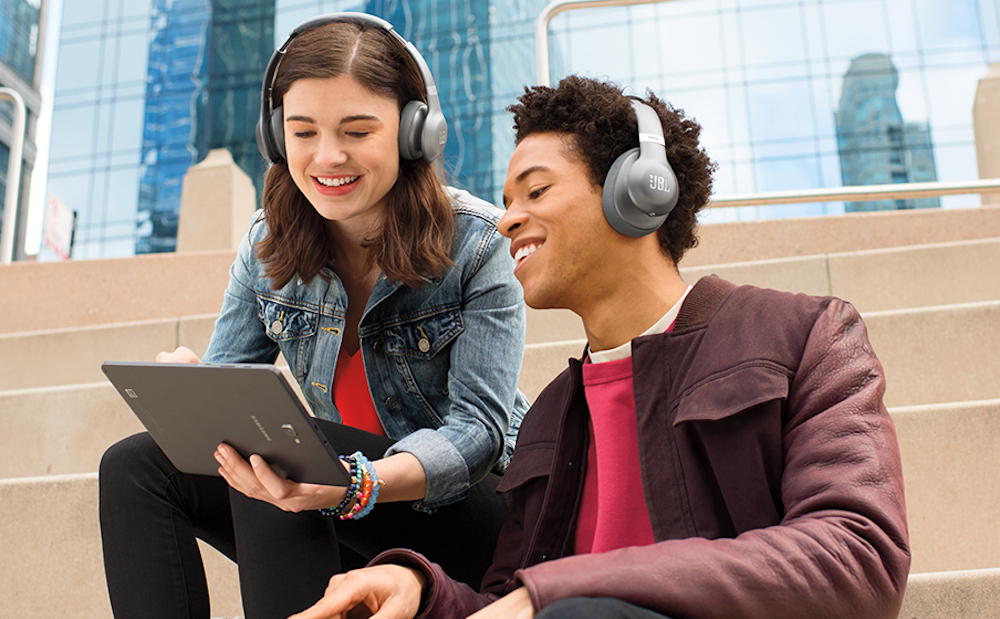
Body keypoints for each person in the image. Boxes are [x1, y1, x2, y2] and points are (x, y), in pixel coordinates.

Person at [290, 75, 911, 619]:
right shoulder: (549, 416)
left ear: (639, 191)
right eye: (506, 202)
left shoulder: (802, 336)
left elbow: (859, 557)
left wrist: (560, 592)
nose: (505, 221)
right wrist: (420, 589)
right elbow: (510, 598)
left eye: (535, 192)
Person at [98, 13, 529, 619]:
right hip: (338, 497)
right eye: (302, 133)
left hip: (469, 514)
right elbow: (229, 396)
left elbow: (478, 434)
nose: (328, 157)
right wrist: (195, 395)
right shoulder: (268, 244)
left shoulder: (477, 245)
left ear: (414, 134)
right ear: (278, 139)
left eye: (357, 130)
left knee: (289, 453)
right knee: (137, 465)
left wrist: (361, 484)